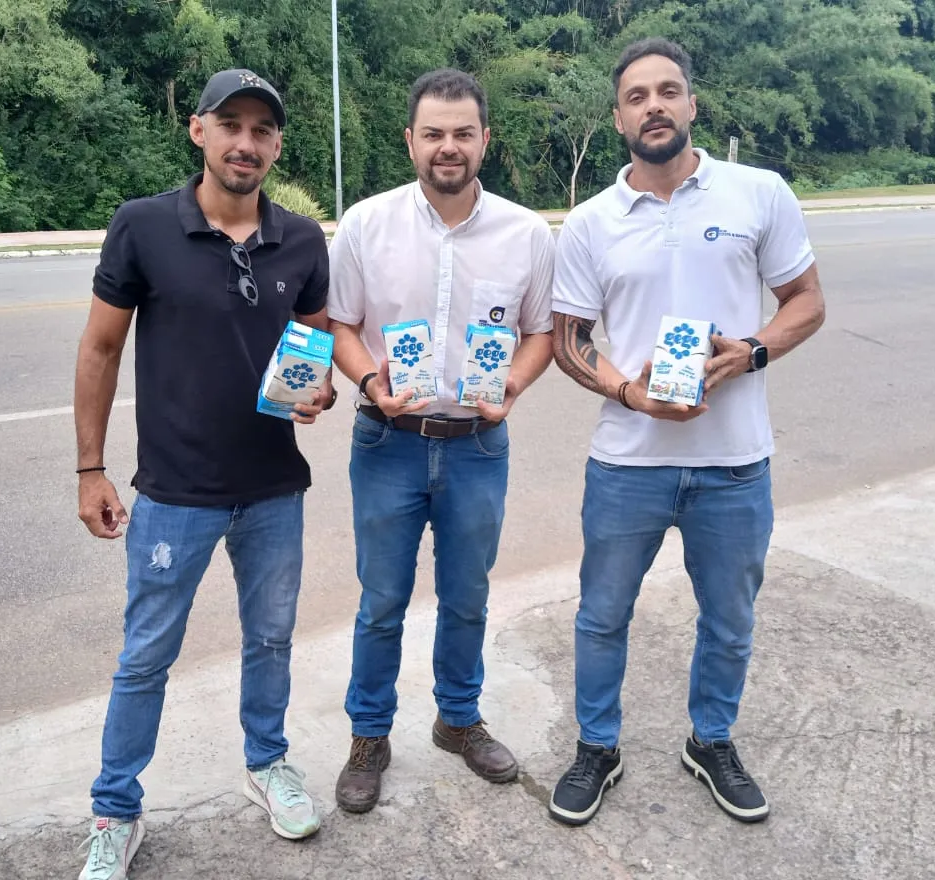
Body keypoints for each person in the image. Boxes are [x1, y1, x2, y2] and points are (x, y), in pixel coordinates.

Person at [546, 37, 826, 828]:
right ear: (617, 118)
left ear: (692, 104)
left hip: (735, 464)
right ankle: (597, 746)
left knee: (730, 620)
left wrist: (753, 350)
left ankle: (712, 740)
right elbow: (568, 338)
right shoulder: (592, 223)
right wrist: (631, 393)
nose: (655, 106)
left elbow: (807, 299)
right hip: (627, 463)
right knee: (601, 615)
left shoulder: (758, 193)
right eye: (638, 96)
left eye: (669, 91)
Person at [72, 68, 335, 879]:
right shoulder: (144, 226)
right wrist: (90, 468)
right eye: (232, 125)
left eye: (262, 130)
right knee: (145, 654)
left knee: (271, 639)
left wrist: (318, 389)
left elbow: (313, 346)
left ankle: (267, 763)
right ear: (200, 131)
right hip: (173, 495)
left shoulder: (301, 240)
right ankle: (116, 808)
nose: (246, 143)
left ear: (277, 145)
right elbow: (101, 349)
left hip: (273, 492)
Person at [326, 68, 555, 813]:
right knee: (381, 601)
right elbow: (342, 326)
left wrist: (512, 385)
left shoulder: (525, 233)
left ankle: (458, 720)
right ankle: (369, 736)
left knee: (467, 597)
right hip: (387, 440)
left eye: (462, 134)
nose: (448, 148)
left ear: (485, 139)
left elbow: (541, 332)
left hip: (478, 446)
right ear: (410, 140)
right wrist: (369, 383)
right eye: (434, 134)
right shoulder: (366, 224)